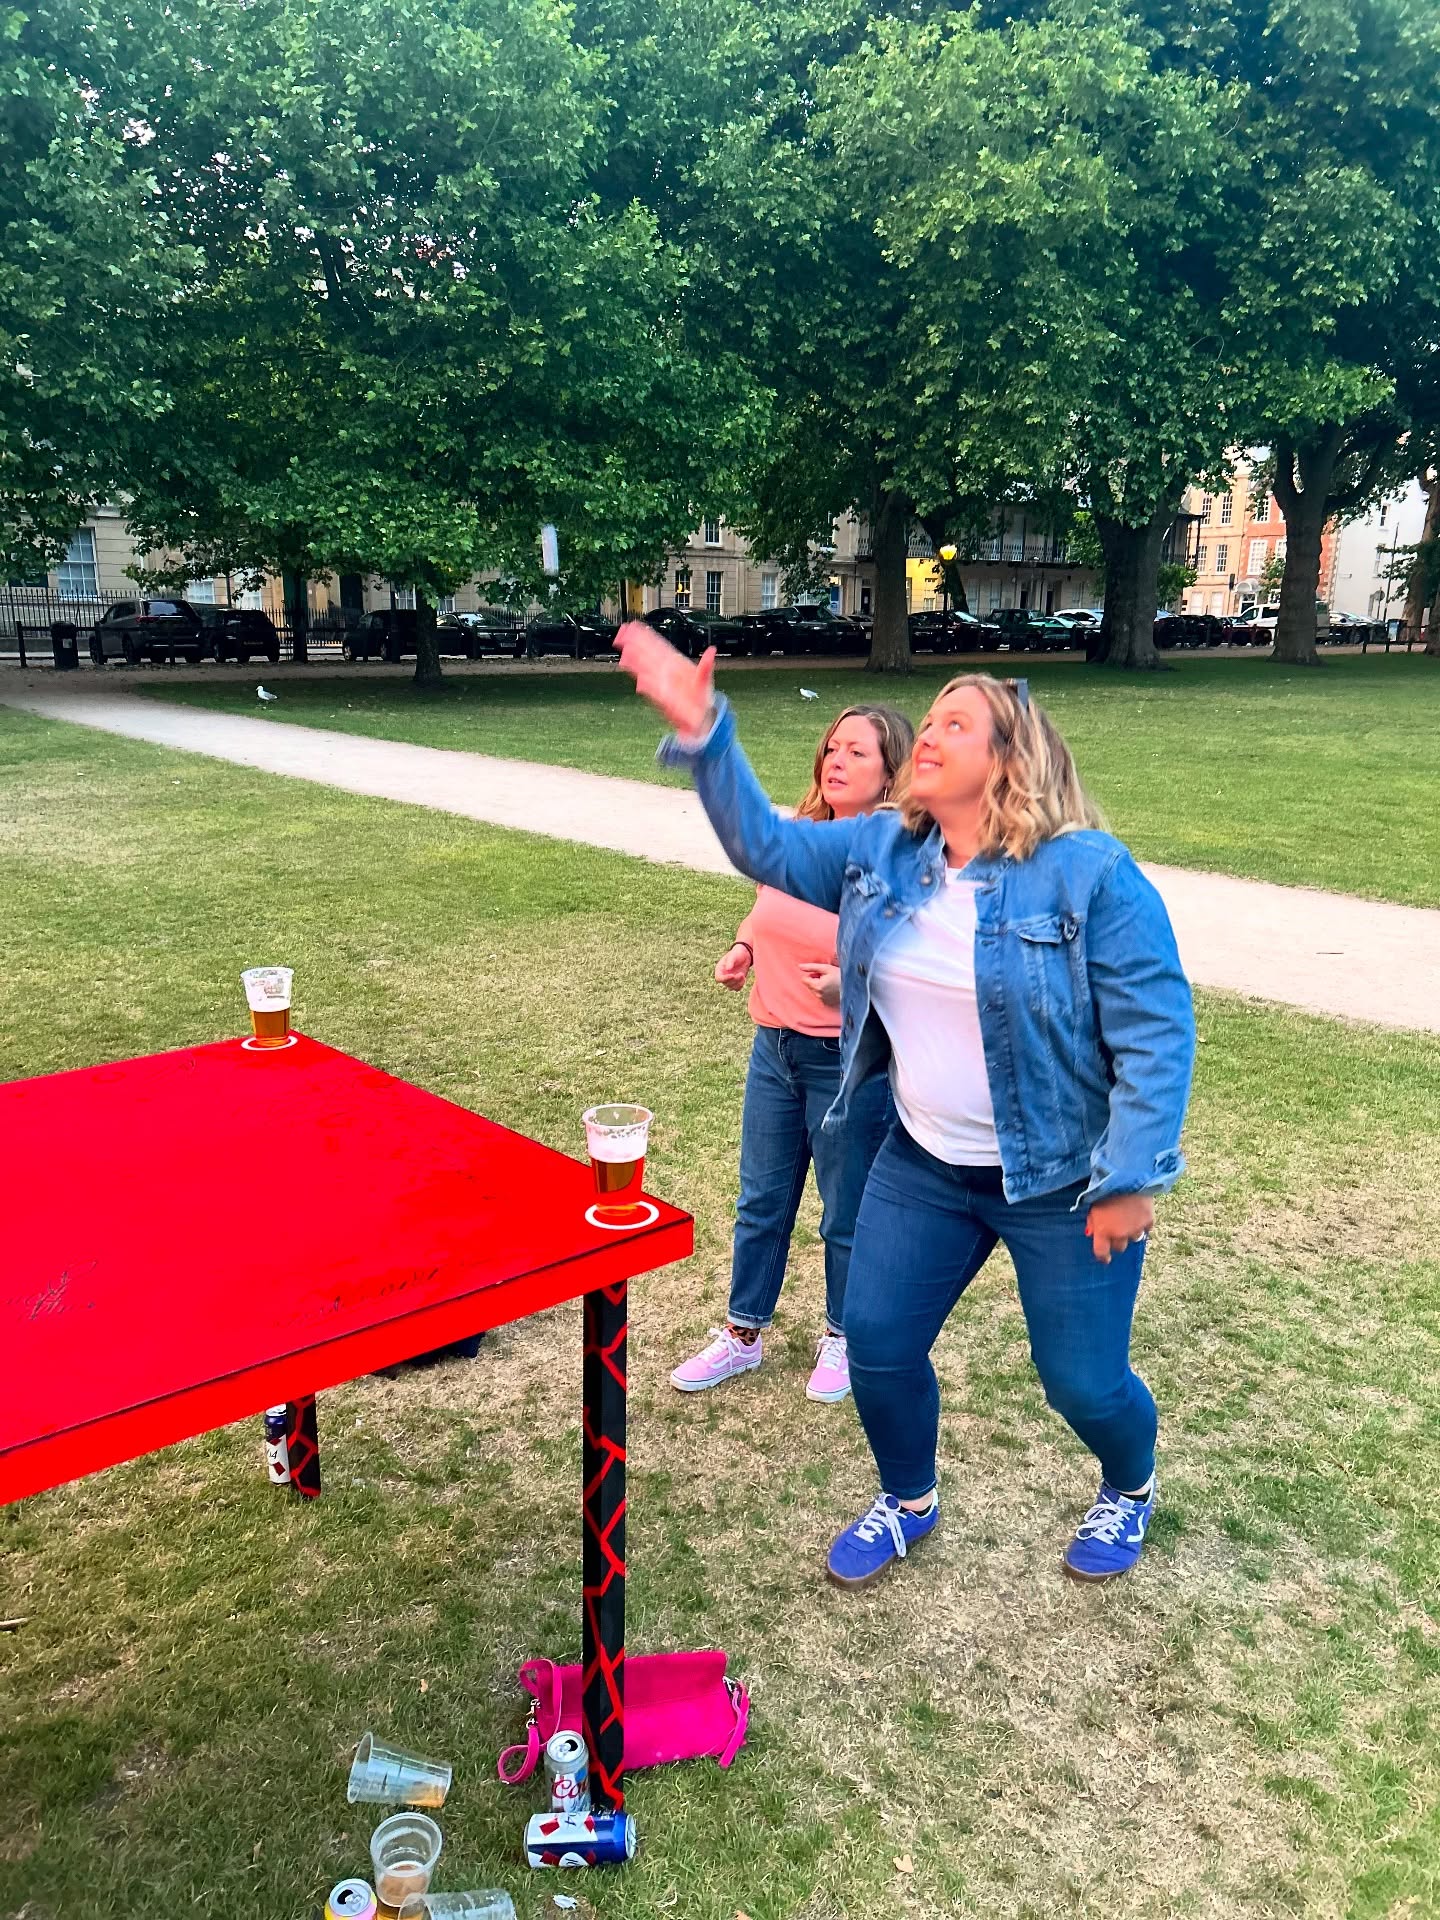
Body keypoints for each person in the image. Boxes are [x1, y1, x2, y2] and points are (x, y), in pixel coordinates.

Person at [615, 626, 1194, 1587]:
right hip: (923, 1164)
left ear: (1012, 759)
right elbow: (761, 840)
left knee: (1082, 1382)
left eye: (955, 724)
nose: (927, 734)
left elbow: (1156, 1033)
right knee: (878, 1347)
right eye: (928, 720)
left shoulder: (1089, 872)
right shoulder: (881, 847)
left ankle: (1129, 1485)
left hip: (1058, 1178)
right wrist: (707, 729)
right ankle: (909, 1498)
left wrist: (1131, 1177)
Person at [671, 702, 914, 1404]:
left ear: (891, 774)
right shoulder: (802, 837)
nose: (836, 760)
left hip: (846, 1063)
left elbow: (921, 957)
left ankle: (844, 1337)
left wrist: (855, 983)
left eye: (857, 753)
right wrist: (745, 945)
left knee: (846, 1209)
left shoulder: (896, 856)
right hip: (773, 1047)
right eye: (832, 747)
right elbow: (768, 907)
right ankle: (742, 1334)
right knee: (762, 1200)